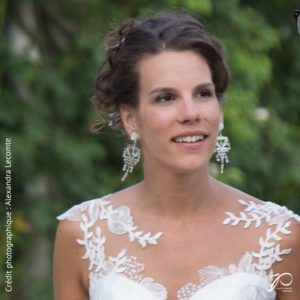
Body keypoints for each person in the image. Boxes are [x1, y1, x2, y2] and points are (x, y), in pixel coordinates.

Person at [53, 11, 300, 300]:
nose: (191, 113)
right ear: (130, 118)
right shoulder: (82, 233)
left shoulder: (281, 236)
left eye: (203, 94)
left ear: (219, 109)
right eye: (166, 98)